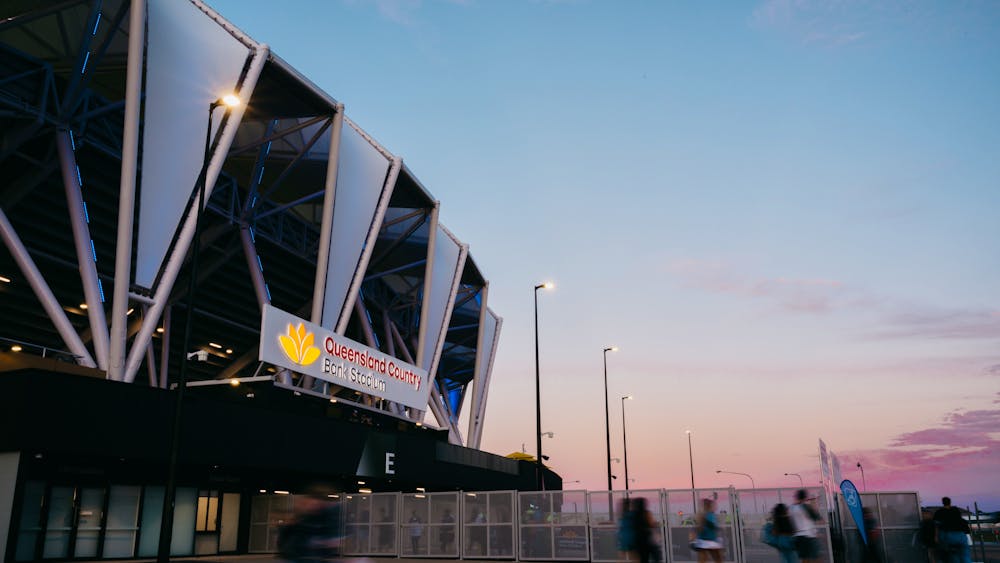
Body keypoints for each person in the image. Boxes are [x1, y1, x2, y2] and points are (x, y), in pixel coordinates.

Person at [277, 488, 342, 563]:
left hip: (309, 556)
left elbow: (329, 541)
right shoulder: (301, 520)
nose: (316, 504)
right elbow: (286, 539)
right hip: (298, 555)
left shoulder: (321, 518)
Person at [789, 489, 823, 563]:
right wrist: (814, 503)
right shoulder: (805, 507)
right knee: (816, 559)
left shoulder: (792, 508)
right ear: (805, 497)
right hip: (809, 536)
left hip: (798, 537)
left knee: (805, 559)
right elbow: (819, 519)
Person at [934, 497, 971, 563]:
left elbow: (936, 525)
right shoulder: (956, 511)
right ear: (950, 502)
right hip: (961, 535)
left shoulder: (939, 512)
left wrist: (937, 538)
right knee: (965, 556)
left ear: (943, 502)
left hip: (949, 535)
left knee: (954, 556)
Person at [693, 498, 723, 563]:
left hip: (711, 540)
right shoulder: (703, 515)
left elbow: (714, 526)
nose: (715, 507)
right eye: (713, 505)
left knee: (718, 559)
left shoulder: (711, 515)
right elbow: (699, 528)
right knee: (704, 559)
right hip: (705, 541)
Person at [631, 497, 659, 563]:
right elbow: (652, 524)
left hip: (638, 541)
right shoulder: (646, 513)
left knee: (643, 559)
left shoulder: (633, 514)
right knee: (656, 556)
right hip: (647, 539)